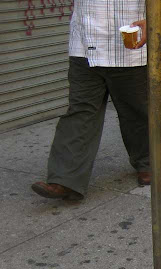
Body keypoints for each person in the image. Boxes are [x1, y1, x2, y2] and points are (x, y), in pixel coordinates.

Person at [32, 0, 151, 201]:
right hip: (84, 45)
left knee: (136, 112)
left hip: (130, 44)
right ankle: (64, 179)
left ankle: (148, 163)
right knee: (80, 112)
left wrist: (155, 20)